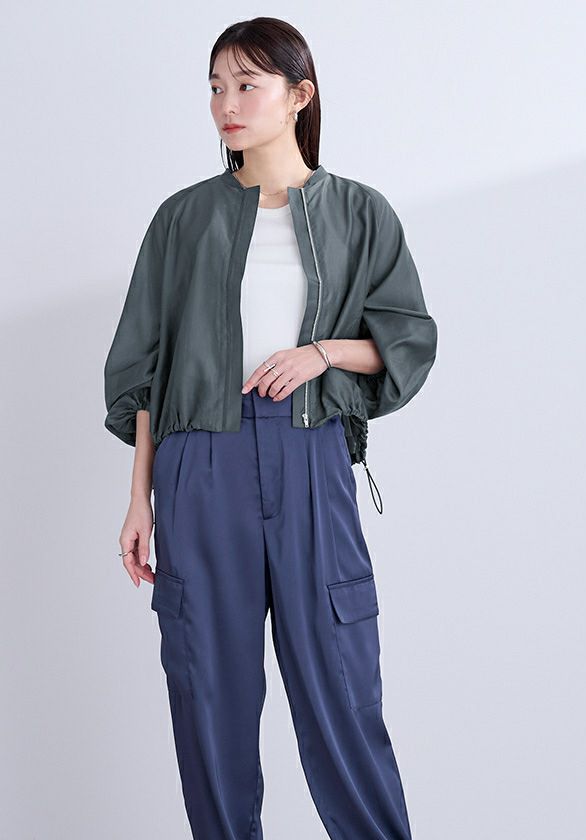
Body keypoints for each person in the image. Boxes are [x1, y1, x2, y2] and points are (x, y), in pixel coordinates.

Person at [104, 16, 438, 840]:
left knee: (342, 688)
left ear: (299, 95)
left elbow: (404, 341)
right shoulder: (182, 220)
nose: (227, 103)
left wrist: (321, 353)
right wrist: (140, 499)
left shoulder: (359, 214)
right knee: (208, 695)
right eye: (216, 87)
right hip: (198, 464)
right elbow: (143, 371)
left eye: (247, 85)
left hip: (310, 454)